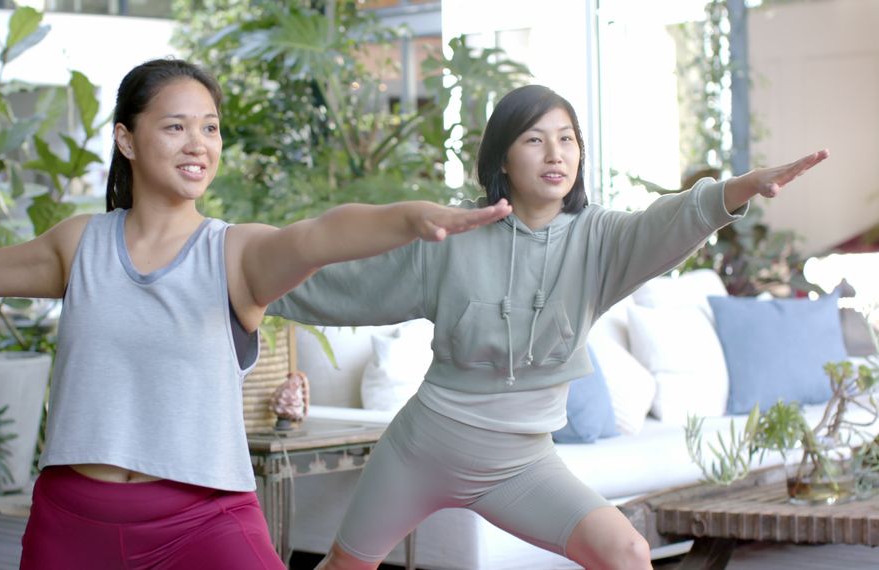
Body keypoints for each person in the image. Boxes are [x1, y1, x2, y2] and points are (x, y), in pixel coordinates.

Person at [0, 58, 512, 570]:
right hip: (73, 521)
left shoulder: (234, 255)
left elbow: (320, 235)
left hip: (201, 522)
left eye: (210, 127)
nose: (199, 143)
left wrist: (410, 217)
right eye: (176, 126)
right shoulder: (80, 244)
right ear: (127, 139)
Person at [268, 84, 829, 570]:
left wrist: (741, 187)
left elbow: (673, 219)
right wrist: (248, 283)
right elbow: (350, 285)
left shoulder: (602, 240)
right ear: (503, 158)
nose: (554, 153)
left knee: (626, 554)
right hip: (425, 447)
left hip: (522, 464)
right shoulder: (454, 234)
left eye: (566, 138)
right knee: (347, 563)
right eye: (534, 139)